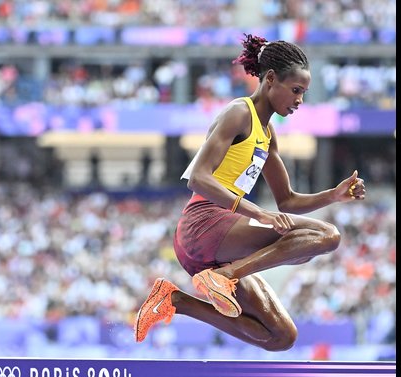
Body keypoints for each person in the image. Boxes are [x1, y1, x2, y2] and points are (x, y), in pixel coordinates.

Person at [134, 34, 366, 351]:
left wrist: (333, 196)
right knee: (328, 235)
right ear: (270, 79)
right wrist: (257, 212)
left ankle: (175, 300)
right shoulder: (239, 113)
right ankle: (226, 276)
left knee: (282, 336)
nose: (300, 100)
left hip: (222, 244)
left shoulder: (268, 135)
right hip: (204, 224)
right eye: (296, 90)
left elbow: (287, 201)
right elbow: (198, 178)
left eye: (304, 93)